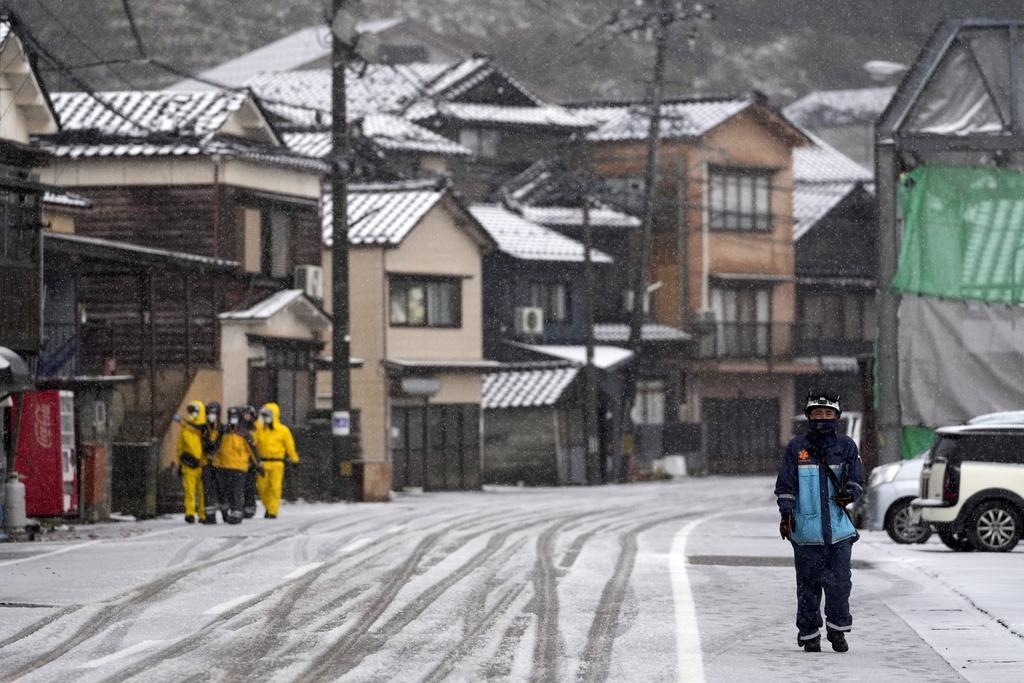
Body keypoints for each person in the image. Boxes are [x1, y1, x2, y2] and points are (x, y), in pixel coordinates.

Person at [775, 390, 864, 653]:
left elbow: (857, 478)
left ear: (836, 416)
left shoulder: (846, 446)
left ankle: (838, 631)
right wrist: (786, 513)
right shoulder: (797, 447)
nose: (822, 418)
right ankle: (809, 634)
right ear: (809, 416)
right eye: (817, 413)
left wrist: (852, 491)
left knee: (840, 584)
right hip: (806, 532)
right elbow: (786, 484)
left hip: (839, 532)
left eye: (828, 413)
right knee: (808, 587)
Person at [212, 406, 262, 525]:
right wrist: (214, 462)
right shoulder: (224, 431)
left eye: (235, 417)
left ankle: (237, 513)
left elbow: (253, 451)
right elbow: (217, 448)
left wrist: (258, 464)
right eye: (231, 417)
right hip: (224, 467)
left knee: (237, 490)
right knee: (226, 490)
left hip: (239, 467)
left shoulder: (244, 434)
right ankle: (228, 512)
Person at [255, 402, 299, 519]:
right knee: (262, 487)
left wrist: (294, 459)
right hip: (263, 462)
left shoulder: (283, 430)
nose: (266, 418)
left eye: (268, 415)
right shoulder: (259, 429)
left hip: (277, 462)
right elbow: (253, 443)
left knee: (275, 487)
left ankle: (272, 511)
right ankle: (268, 506)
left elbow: (290, 446)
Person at [176, 400, 207, 524]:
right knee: (190, 490)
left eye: (195, 412)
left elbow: (209, 447)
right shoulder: (186, 430)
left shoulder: (205, 431)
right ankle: (190, 513)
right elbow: (180, 448)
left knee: (202, 491)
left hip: (202, 465)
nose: (192, 414)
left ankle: (202, 513)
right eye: (191, 412)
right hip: (189, 465)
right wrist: (180, 463)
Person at [200, 401, 224, 524]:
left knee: (222, 490)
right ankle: (210, 516)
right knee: (208, 490)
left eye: (214, 413)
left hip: (219, 464)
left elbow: (224, 445)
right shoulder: (203, 428)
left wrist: (216, 448)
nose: (211, 415)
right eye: (209, 413)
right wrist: (206, 446)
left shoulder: (222, 428)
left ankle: (226, 514)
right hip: (206, 463)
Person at [241, 406, 260, 519]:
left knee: (250, 486)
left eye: (249, 415)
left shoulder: (257, 429)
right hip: (241, 461)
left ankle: (250, 507)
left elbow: (258, 445)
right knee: (240, 486)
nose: (247, 417)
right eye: (245, 414)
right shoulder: (239, 429)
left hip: (252, 462)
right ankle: (241, 506)